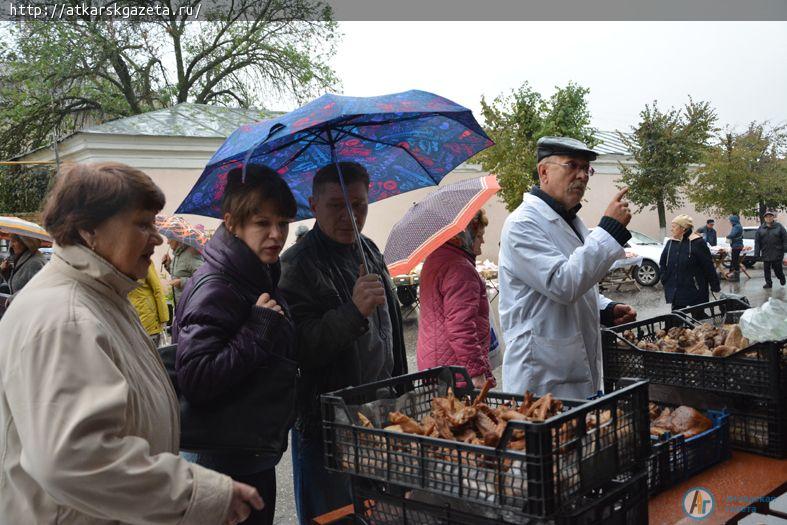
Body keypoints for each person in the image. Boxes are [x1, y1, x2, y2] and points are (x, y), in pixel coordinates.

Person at [0, 162, 262, 525]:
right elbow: (75, 458)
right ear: (88, 228)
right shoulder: (66, 317)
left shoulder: (101, 297)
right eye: (142, 223)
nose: (156, 237)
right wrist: (198, 493)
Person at [279, 161, 408, 525]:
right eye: (337, 205)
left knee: (379, 515)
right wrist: (353, 311)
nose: (350, 216)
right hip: (327, 430)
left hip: (380, 416)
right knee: (332, 519)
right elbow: (300, 348)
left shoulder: (368, 249)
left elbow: (391, 333)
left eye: (359, 204)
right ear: (314, 205)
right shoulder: (296, 266)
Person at [174, 165, 298, 525]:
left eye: (283, 223)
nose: (276, 234)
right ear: (232, 223)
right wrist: (257, 331)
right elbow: (196, 378)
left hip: (248, 451)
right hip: (222, 459)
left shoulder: (256, 273)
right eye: (262, 223)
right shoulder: (218, 286)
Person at [499, 136, 636, 399]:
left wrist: (604, 309)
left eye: (586, 169)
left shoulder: (570, 220)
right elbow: (562, 283)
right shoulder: (522, 224)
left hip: (570, 366)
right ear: (544, 172)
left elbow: (578, 277)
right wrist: (610, 228)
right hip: (540, 374)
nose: (582, 175)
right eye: (572, 165)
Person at [417, 209, 495, 387]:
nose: (482, 241)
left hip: (435, 366)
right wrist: (476, 372)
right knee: (465, 415)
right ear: (466, 234)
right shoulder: (460, 269)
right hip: (457, 373)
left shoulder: (435, 259)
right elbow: (461, 327)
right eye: (479, 235)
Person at [659, 215, 721, 309]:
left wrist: (714, 285)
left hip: (695, 288)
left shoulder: (697, 242)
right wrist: (664, 278)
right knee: (676, 318)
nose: (671, 230)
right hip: (676, 289)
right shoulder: (671, 242)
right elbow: (663, 262)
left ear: (683, 228)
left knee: (698, 320)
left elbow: (708, 266)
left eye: (674, 227)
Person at [128, 261, 170, 346]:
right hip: (132, 320)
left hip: (148, 320)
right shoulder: (121, 262)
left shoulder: (145, 260)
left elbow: (157, 289)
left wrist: (163, 318)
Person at [0, 233, 47, 304]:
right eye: (11, 241)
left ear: (26, 243)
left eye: (14, 241)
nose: (11, 245)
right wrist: (6, 271)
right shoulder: (21, 258)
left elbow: (37, 289)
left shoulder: (35, 262)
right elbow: (16, 284)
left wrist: (13, 298)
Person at [163, 237, 203, 306]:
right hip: (180, 305)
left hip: (190, 306)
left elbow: (203, 277)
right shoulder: (177, 255)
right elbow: (179, 273)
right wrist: (168, 264)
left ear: (177, 239)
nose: (167, 242)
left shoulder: (191, 254)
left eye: (169, 238)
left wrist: (182, 282)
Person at [754, 210, 787, 289]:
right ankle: (768, 283)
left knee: (777, 269)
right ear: (764, 218)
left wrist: (785, 249)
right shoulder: (761, 229)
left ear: (773, 217)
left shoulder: (779, 227)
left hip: (777, 252)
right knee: (766, 269)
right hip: (766, 252)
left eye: (770, 216)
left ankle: (781, 277)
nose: (768, 218)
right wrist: (757, 253)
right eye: (767, 217)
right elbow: (757, 242)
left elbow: (785, 239)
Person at [726, 214, 744, 282]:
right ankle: (733, 274)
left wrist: (728, 236)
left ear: (733, 221)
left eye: (730, 221)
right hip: (738, 245)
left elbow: (732, 235)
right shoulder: (738, 226)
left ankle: (735, 277)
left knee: (734, 261)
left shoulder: (736, 227)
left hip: (736, 246)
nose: (730, 222)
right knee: (735, 260)